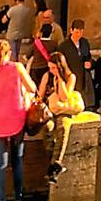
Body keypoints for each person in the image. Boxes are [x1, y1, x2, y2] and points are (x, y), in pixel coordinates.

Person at [0, 37, 35, 201]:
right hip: (16, 117)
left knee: (0, 164)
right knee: (17, 160)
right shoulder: (17, 68)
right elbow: (32, 88)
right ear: (9, 53)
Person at [37, 50, 81, 182]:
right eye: (50, 67)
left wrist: (59, 79)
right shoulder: (47, 76)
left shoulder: (70, 77)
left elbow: (64, 97)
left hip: (63, 110)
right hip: (50, 110)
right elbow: (40, 94)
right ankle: (54, 162)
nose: (51, 70)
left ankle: (56, 165)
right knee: (48, 129)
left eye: (54, 68)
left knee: (63, 128)